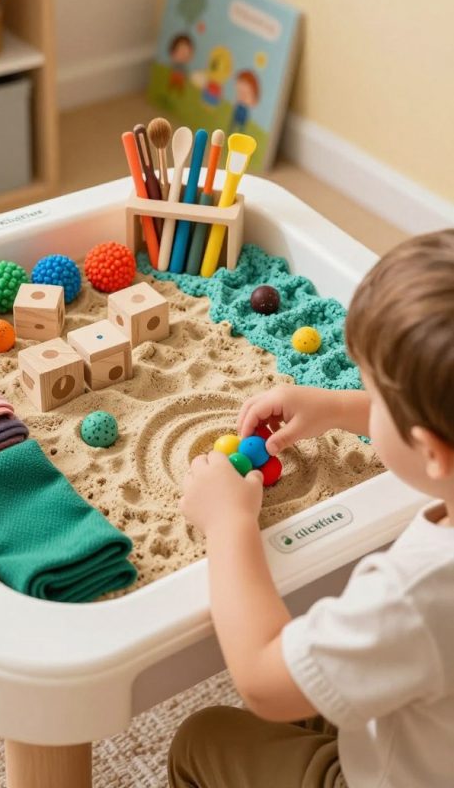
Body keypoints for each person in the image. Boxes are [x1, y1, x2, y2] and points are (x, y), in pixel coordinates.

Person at [169, 230, 454, 788]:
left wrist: (229, 526)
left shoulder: (417, 594)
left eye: (375, 400)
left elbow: (263, 681)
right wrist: (341, 407)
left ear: (429, 450)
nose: (366, 406)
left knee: (202, 737)